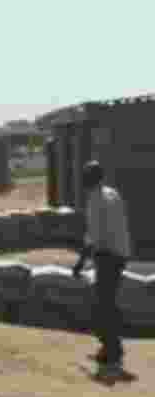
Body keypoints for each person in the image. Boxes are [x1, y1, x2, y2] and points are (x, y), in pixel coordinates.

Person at [72, 160, 131, 373]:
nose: (83, 179)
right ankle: (113, 346)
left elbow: (94, 239)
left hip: (108, 256)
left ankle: (111, 349)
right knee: (107, 301)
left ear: (89, 179)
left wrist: (79, 264)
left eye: (85, 176)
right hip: (121, 253)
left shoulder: (95, 200)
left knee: (102, 304)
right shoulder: (111, 193)